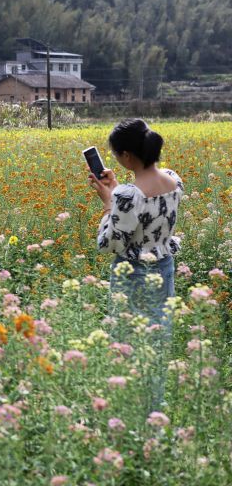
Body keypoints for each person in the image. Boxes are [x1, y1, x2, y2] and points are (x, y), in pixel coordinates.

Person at [88, 118, 183, 408]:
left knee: (127, 341)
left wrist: (108, 203)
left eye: (116, 154)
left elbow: (110, 243)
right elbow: (145, 212)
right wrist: (116, 191)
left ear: (127, 156)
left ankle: (132, 408)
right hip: (164, 269)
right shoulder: (172, 179)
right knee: (156, 337)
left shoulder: (127, 196)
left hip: (134, 274)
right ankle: (154, 404)